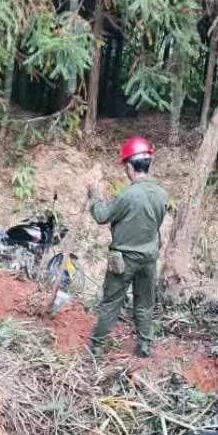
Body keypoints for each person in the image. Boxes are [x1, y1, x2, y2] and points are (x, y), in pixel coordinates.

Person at [87, 137, 169, 358]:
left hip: (124, 260)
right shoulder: (162, 194)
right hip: (149, 259)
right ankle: (144, 346)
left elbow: (102, 215)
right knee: (144, 303)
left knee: (111, 303)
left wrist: (94, 195)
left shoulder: (128, 194)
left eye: (125, 166)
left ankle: (96, 348)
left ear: (130, 166)